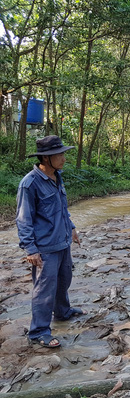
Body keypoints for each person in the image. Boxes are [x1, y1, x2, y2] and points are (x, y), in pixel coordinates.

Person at [16, 135, 85, 348]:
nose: (64, 158)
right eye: (60, 154)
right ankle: (38, 332)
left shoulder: (57, 176)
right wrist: (30, 249)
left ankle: (63, 312)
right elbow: (23, 219)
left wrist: (71, 227)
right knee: (44, 290)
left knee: (64, 279)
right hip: (44, 247)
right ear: (46, 159)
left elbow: (61, 208)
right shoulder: (29, 184)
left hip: (62, 241)